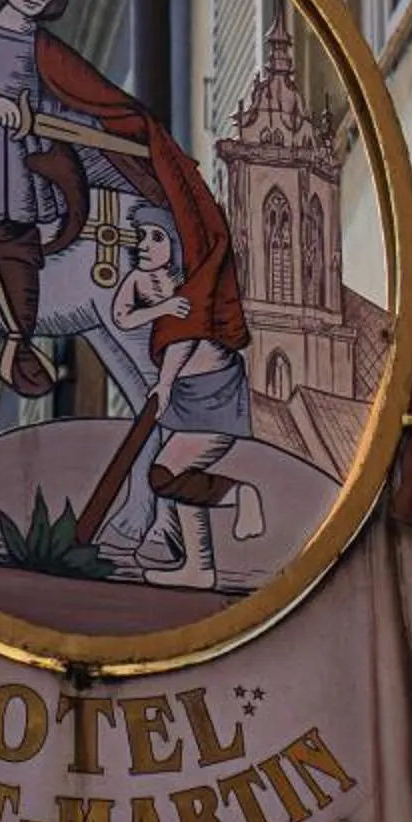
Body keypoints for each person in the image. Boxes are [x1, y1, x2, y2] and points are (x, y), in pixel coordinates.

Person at [0, 0, 248, 403]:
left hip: (37, 147)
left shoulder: (43, 47)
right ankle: (18, 337)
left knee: (108, 185)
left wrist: (96, 127)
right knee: (4, 202)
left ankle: (31, 331)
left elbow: (80, 97)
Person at [112, 209, 265, 583]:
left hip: (214, 390)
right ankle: (199, 567)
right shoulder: (140, 281)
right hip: (184, 393)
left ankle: (241, 495)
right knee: (175, 476)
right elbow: (121, 317)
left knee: (165, 474)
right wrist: (161, 308)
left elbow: (185, 338)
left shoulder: (194, 281)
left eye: (157, 237)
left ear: (178, 241)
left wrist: (164, 383)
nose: (145, 245)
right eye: (142, 236)